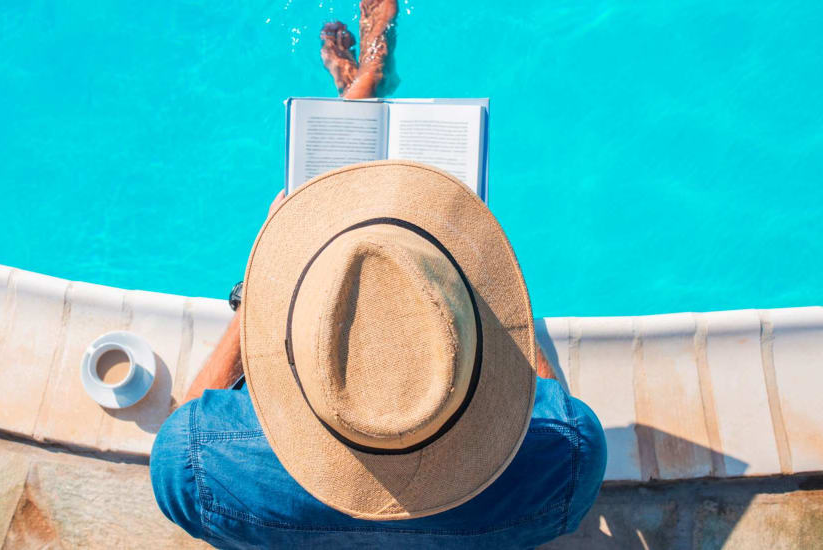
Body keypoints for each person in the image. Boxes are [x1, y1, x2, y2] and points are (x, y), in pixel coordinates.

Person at [150, 161, 607, 549]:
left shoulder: (195, 464)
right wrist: (495, 312)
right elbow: (546, 399)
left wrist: (256, 297)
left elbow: (188, 415)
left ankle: (358, 85)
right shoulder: (569, 458)